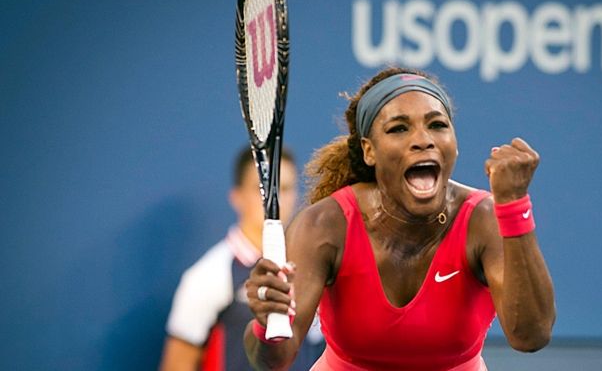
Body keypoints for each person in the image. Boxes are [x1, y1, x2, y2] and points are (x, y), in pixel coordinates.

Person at [244, 67, 556, 370]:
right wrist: (265, 321)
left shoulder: (483, 219)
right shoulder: (324, 225)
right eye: (399, 128)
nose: (423, 140)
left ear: (455, 143)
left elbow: (531, 335)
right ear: (370, 151)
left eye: (437, 125)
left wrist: (514, 206)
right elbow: (273, 359)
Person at [159, 147, 324, 371]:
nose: (274, 200)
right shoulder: (208, 276)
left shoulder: (314, 265)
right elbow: (177, 366)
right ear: (237, 197)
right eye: (262, 189)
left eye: (284, 188)